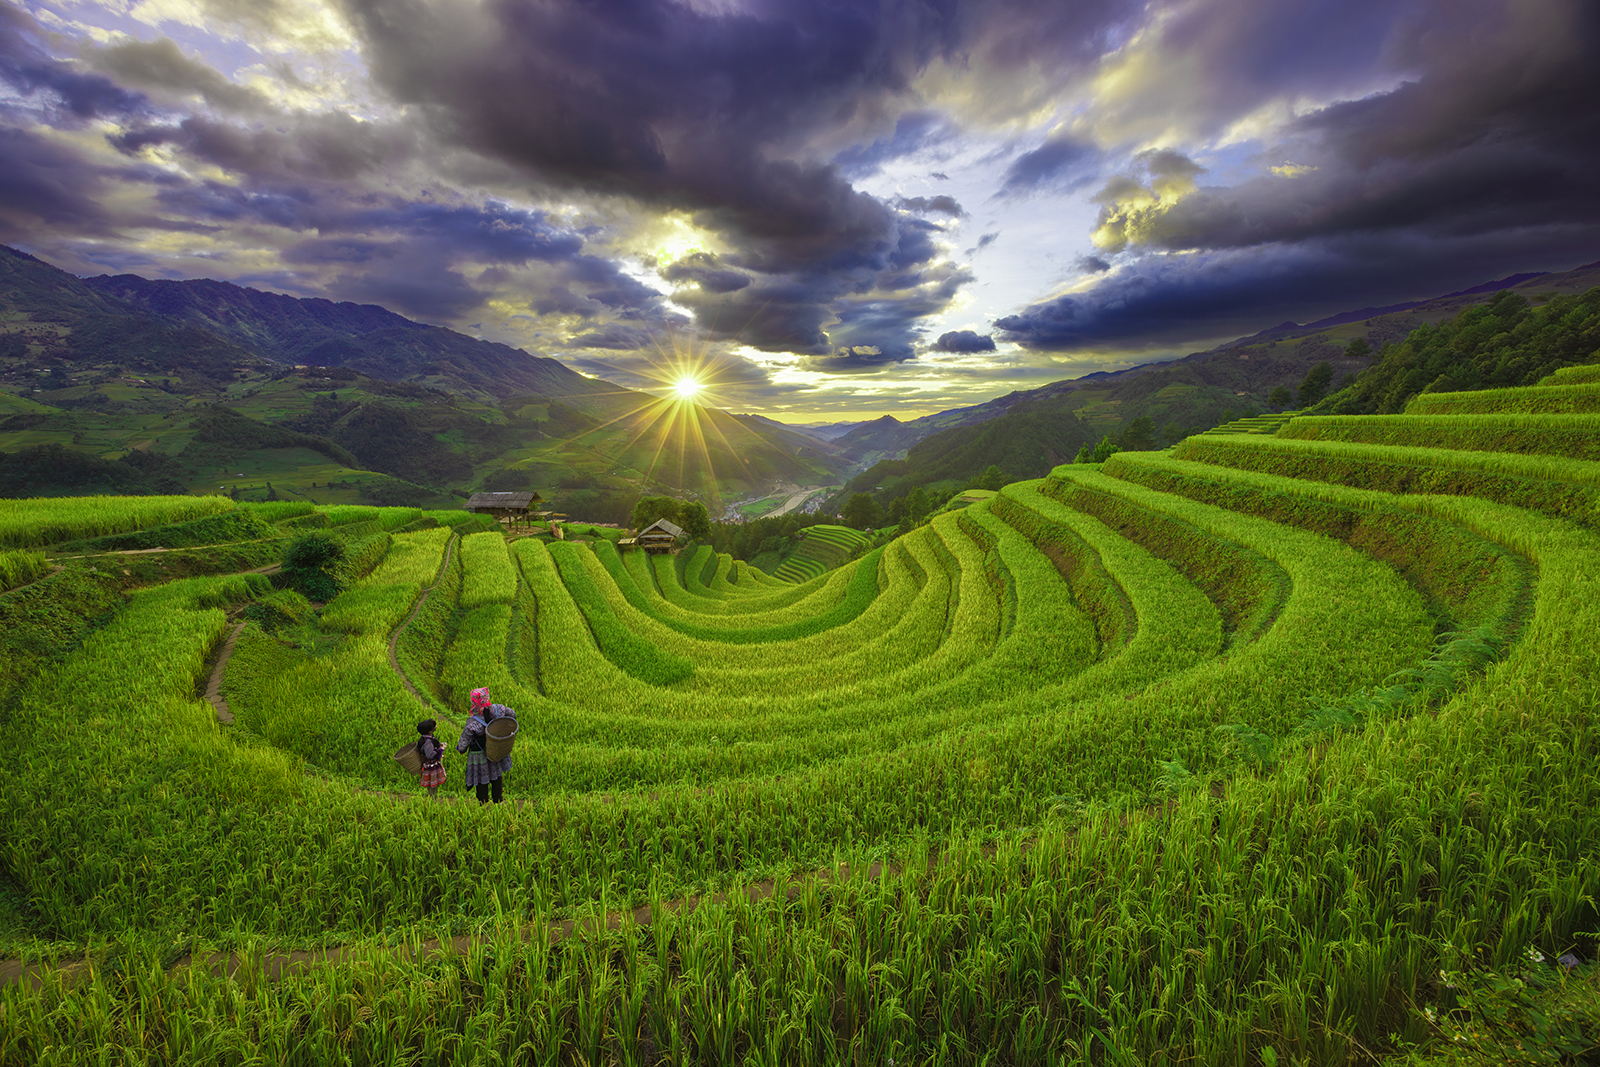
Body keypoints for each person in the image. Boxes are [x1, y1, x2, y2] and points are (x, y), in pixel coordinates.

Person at [457, 687, 516, 804]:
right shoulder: (499, 709)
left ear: (473, 702)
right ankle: (497, 801)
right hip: (495, 750)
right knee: (497, 777)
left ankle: (483, 803)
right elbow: (512, 715)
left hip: (480, 755)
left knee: (481, 781)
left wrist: (461, 749)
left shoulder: (472, 722)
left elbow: (464, 741)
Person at [416, 719, 446, 799]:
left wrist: (439, 744)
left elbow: (434, 744)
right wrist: (442, 749)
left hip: (433, 764)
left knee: (434, 783)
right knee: (432, 783)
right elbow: (431, 755)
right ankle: (433, 799)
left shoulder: (428, 737)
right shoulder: (427, 742)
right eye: (435, 725)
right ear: (430, 730)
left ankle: (433, 797)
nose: (436, 726)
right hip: (431, 766)